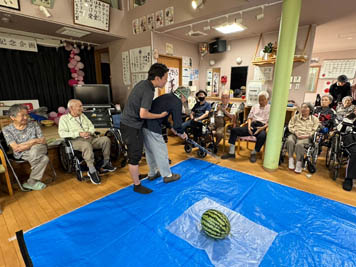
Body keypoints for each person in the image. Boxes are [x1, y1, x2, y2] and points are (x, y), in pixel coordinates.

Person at [120, 63, 169, 194]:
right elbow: (143, 114)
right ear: (157, 78)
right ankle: (137, 185)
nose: (166, 81)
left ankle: (137, 176)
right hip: (131, 126)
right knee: (134, 156)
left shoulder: (143, 83)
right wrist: (160, 115)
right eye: (165, 78)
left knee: (136, 152)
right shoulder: (149, 90)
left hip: (130, 123)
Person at [58, 99, 116, 185]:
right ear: (71, 108)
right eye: (80, 106)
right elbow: (62, 133)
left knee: (105, 140)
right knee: (86, 145)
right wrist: (79, 133)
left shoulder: (83, 116)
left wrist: (89, 132)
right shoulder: (64, 119)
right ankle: (92, 170)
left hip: (90, 138)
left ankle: (106, 163)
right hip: (76, 141)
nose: (82, 108)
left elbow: (92, 127)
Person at [142, 87, 189, 183]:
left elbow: (164, 117)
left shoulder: (167, 97)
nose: (185, 101)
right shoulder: (177, 102)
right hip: (153, 126)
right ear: (182, 96)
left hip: (144, 125)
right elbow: (178, 124)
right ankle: (167, 175)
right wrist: (182, 133)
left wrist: (171, 128)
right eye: (186, 99)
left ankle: (153, 173)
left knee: (150, 151)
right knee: (161, 151)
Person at [2, 104, 49, 190]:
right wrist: (34, 141)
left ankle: (31, 181)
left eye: (26, 115)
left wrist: (31, 142)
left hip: (39, 148)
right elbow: (16, 148)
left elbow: (43, 140)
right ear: (13, 117)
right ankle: (31, 181)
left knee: (35, 149)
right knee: (44, 159)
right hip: (22, 153)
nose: (26, 117)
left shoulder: (34, 124)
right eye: (22, 115)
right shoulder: (7, 130)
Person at [221, 91, 270, 163]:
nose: (260, 101)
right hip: (252, 125)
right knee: (234, 130)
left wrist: (262, 128)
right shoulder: (255, 106)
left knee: (263, 135)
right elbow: (249, 118)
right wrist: (249, 126)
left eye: (263, 100)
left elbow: (270, 122)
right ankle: (231, 153)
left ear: (267, 99)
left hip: (262, 126)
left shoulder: (270, 108)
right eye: (259, 100)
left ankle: (254, 152)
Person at [286, 103, 320, 173]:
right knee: (289, 140)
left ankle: (299, 163)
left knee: (299, 145)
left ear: (310, 110)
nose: (303, 109)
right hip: (295, 134)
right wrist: (295, 133)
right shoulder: (295, 117)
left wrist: (306, 135)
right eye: (302, 107)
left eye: (306, 107)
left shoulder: (315, 119)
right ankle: (291, 159)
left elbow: (314, 130)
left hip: (306, 136)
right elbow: (290, 126)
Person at [336, 107, 356, 191]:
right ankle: (349, 178)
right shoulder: (349, 117)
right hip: (351, 138)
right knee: (355, 153)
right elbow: (340, 129)